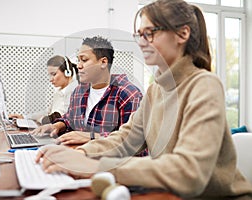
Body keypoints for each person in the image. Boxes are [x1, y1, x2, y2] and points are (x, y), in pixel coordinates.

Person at [35, 0, 252, 199]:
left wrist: (97, 166)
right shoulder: (155, 91)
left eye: (150, 33)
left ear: (182, 34)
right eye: (139, 34)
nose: (141, 42)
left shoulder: (204, 85)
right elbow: (127, 138)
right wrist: (82, 153)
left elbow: (189, 172)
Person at [31, 36, 143, 145]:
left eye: (84, 60)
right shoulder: (79, 91)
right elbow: (70, 119)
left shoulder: (128, 94)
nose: (79, 66)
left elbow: (132, 141)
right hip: (77, 156)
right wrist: (56, 126)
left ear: (103, 62)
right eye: (78, 60)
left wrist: (91, 137)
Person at [9, 55, 79, 124]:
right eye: (49, 75)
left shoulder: (75, 92)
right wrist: (24, 117)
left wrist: (42, 119)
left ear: (67, 72)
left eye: (54, 74)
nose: (50, 79)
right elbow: (48, 112)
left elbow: (60, 117)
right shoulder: (60, 91)